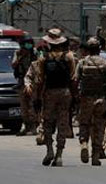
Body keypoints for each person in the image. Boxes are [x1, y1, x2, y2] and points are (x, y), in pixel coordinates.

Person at [26, 28, 78, 166]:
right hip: (65, 92)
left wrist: (37, 97)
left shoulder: (44, 58)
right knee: (63, 123)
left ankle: (49, 150)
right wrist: (75, 96)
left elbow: (40, 80)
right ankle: (59, 154)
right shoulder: (69, 57)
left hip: (49, 93)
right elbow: (73, 78)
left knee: (47, 122)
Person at [76, 37, 106, 166]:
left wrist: (75, 96)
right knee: (99, 127)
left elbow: (75, 81)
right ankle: (95, 156)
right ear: (99, 49)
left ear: (88, 50)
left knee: (84, 124)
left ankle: (84, 143)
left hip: (86, 99)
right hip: (102, 99)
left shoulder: (82, 63)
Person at [11, 37, 38, 136]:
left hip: (32, 82)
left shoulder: (35, 53)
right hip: (22, 82)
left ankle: (34, 127)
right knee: (23, 106)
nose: (28, 47)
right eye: (26, 44)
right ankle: (26, 126)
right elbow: (13, 65)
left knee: (32, 105)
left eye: (29, 44)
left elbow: (41, 63)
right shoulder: (18, 53)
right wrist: (20, 57)